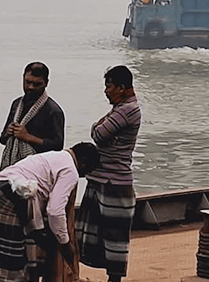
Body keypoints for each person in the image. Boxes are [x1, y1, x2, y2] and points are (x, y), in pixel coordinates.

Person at [0, 144, 101, 282]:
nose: (85, 175)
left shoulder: (55, 156)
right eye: (88, 170)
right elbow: (55, 212)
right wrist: (65, 243)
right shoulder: (71, 170)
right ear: (83, 164)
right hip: (4, 202)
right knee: (8, 260)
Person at [76, 66, 142, 282]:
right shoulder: (121, 108)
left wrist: (98, 124)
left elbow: (98, 133)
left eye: (109, 86)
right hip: (101, 178)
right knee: (92, 234)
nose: (106, 91)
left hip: (114, 181)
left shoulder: (127, 109)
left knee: (115, 236)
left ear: (122, 88)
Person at [0, 62, 65, 170]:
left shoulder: (53, 111)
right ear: (23, 78)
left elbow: (57, 146)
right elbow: (2, 139)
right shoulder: (16, 104)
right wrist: (8, 132)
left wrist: (28, 137)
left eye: (37, 84)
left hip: (39, 169)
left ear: (46, 83)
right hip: (13, 167)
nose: (31, 87)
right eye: (28, 82)